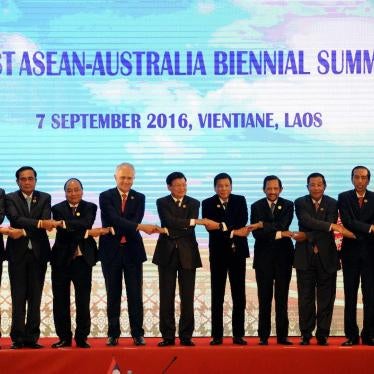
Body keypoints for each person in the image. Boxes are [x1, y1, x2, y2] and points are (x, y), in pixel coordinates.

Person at [99, 163, 156, 347]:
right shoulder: (106, 196)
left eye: (129, 178)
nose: (126, 181)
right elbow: (113, 219)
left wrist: (130, 226)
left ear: (134, 179)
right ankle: (113, 334)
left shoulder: (139, 197)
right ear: (115, 177)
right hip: (111, 252)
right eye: (122, 177)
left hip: (132, 252)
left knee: (135, 294)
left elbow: (132, 220)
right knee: (113, 294)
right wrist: (138, 227)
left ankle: (137, 333)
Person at [153, 171, 212, 346]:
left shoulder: (194, 202)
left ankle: (186, 336)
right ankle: (168, 336)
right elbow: (168, 220)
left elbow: (183, 228)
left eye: (184, 185)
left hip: (188, 254)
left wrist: (170, 229)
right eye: (177, 185)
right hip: (166, 254)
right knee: (166, 296)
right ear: (169, 187)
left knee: (187, 296)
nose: (181, 188)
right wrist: (193, 221)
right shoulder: (161, 202)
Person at [51, 178, 110, 349]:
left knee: (82, 300)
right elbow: (74, 230)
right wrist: (88, 233)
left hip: (83, 260)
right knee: (60, 301)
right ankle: (64, 337)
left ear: (82, 191)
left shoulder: (90, 207)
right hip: (61, 260)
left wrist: (67, 224)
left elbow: (85, 223)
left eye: (76, 189)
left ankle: (82, 337)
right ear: (65, 193)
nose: (73, 193)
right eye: (69, 190)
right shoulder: (57, 208)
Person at [5, 166, 58, 349]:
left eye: (30, 178)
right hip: (17, 254)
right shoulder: (10, 198)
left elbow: (44, 221)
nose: (27, 182)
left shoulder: (45, 198)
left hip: (38, 254)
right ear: (17, 181)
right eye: (23, 179)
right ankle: (18, 338)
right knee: (18, 296)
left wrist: (30, 228)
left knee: (35, 297)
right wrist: (39, 223)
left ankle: (32, 338)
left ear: (35, 180)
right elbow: (15, 218)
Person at [293, 172, 348, 346]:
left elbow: (325, 226)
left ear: (324, 186)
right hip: (305, 256)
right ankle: (306, 333)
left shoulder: (333, 203)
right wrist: (330, 226)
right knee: (305, 298)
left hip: (327, 256)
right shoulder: (300, 202)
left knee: (326, 298)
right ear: (307, 186)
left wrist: (306, 236)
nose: (316, 188)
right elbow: (306, 220)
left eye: (319, 184)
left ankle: (323, 333)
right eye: (312, 184)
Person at [202, 172, 251, 346]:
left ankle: (238, 335)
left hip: (238, 253)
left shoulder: (240, 200)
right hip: (218, 254)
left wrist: (222, 226)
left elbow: (242, 220)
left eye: (226, 185)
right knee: (217, 295)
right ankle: (217, 335)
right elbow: (210, 228)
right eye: (220, 186)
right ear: (215, 187)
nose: (223, 189)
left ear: (231, 186)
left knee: (239, 295)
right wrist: (233, 230)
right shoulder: (207, 203)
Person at [250, 175, 294, 345]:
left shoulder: (289, 205)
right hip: (263, 259)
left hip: (284, 258)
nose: (272, 191)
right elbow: (256, 234)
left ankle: (282, 336)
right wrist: (279, 234)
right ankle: (263, 336)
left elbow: (284, 224)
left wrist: (263, 224)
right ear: (264, 189)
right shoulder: (256, 206)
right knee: (264, 298)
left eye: (276, 188)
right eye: (269, 188)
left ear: (281, 189)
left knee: (282, 298)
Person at [338, 165, 374, 346]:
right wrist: (368, 228)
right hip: (350, 254)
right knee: (350, 295)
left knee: (370, 296)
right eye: (357, 177)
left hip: (370, 255)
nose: (360, 181)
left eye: (364, 177)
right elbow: (347, 221)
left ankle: (369, 334)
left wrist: (358, 230)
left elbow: (354, 225)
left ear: (368, 179)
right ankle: (351, 335)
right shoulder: (344, 197)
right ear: (351, 178)